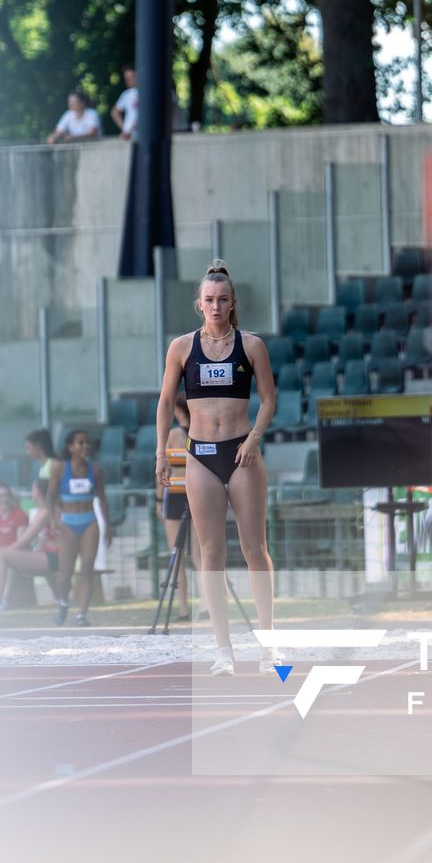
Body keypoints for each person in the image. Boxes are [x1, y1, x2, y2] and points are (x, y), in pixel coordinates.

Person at [156, 260, 280, 676]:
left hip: (241, 452)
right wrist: (161, 452)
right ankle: (223, 649)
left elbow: (269, 399)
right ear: (199, 303)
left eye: (222, 299)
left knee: (254, 549)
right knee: (210, 552)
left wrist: (254, 438)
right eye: (208, 299)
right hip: (200, 456)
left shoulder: (252, 345)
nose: (215, 305)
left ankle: (268, 647)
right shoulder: (181, 348)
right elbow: (163, 403)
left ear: (232, 303)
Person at [51, 428, 106, 626]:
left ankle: (82, 614)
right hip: (67, 523)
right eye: (80, 443)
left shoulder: (96, 470)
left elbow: (103, 498)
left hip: (89, 521)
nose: (85, 446)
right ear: (70, 447)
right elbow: (50, 496)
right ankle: (63, 602)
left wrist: (107, 525)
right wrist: (52, 519)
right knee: (64, 573)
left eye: (87, 442)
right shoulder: (59, 468)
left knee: (87, 570)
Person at [159, 392, 196, 622]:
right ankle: (208, 606)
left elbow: (163, 470)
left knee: (177, 554)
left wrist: (157, 499)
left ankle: (183, 608)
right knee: (201, 555)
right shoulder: (201, 433)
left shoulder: (173, 434)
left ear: (179, 410)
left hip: (174, 495)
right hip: (195, 493)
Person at [0, 491, 63, 611]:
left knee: (1, 556)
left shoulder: (46, 511)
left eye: (34, 490)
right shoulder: (48, 510)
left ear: (39, 493)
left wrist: (7, 551)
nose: (32, 494)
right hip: (55, 555)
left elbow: (25, 539)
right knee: (4, 556)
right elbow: (43, 537)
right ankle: (59, 598)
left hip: (55, 557)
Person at [24, 427, 61, 510]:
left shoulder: (53, 465)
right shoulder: (43, 465)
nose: (27, 452)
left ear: (38, 446)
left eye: (28, 447)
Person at [110, 64, 138, 141]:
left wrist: (128, 129)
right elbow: (114, 112)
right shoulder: (127, 94)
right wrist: (125, 129)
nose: (128, 81)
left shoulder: (150, 91)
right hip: (130, 137)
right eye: (126, 78)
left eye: (132, 77)